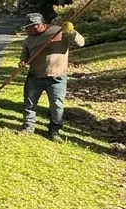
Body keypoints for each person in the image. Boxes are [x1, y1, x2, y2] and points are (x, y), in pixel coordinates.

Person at [20, 12, 85, 140]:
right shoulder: (28, 40)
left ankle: (54, 130)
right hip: (35, 76)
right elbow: (24, 57)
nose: (27, 30)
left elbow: (81, 43)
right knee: (29, 103)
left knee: (57, 105)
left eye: (30, 27)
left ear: (39, 25)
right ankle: (28, 127)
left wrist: (72, 33)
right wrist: (22, 63)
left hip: (57, 77)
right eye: (26, 28)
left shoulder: (58, 31)